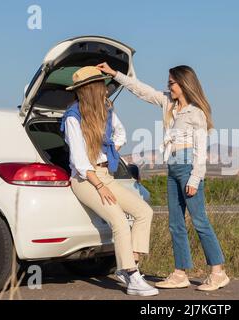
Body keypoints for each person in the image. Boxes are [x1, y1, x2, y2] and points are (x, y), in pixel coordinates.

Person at [96, 62, 230, 291]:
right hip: (173, 165)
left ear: (185, 83)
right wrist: (115, 74)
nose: (169, 87)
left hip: (188, 165)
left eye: (172, 83)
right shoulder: (169, 103)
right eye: (168, 83)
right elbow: (142, 90)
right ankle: (180, 273)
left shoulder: (195, 112)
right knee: (175, 223)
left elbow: (201, 150)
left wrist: (195, 179)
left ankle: (218, 272)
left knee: (200, 221)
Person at [60, 66, 159, 296]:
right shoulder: (73, 117)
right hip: (86, 180)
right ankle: (132, 278)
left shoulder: (107, 110)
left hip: (106, 175)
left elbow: (121, 133)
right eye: (101, 85)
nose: (106, 89)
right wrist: (99, 185)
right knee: (120, 222)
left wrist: (111, 149)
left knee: (144, 212)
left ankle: (129, 265)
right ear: (91, 89)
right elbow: (79, 161)